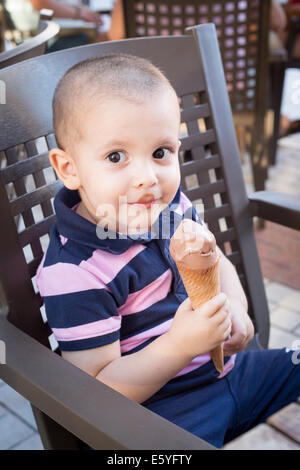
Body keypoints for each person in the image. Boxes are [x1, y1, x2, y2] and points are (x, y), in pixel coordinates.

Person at [36, 54, 300, 448]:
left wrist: (238, 309)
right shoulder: (74, 271)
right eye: (115, 156)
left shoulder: (171, 207)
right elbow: (98, 394)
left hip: (232, 373)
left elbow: (216, 261)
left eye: (161, 152)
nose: (146, 178)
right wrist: (179, 346)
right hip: (158, 415)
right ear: (68, 168)